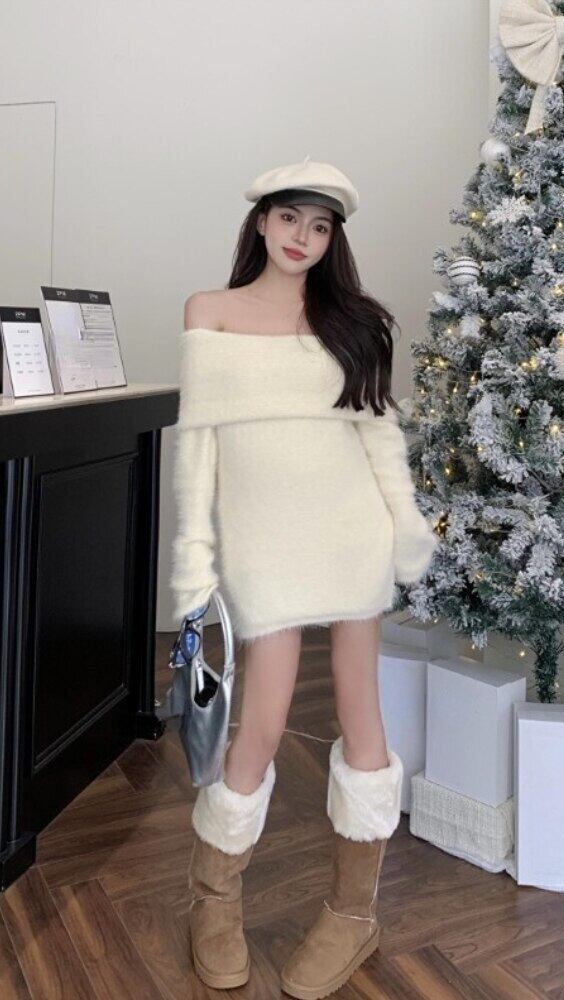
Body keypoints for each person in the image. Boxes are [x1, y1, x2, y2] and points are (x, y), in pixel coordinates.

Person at [170, 158, 438, 995]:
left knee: (363, 718)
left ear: (332, 240)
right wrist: (193, 563)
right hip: (264, 542)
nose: (302, 238)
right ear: (261, 221)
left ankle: (354, 914)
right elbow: (197, 448)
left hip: (351, 531)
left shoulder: (352, 321)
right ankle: (213, 900)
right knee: (260, 723)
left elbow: (378, 435)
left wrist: (406, 528)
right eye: (290, 219)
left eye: (320, 227)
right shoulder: (209, 311)